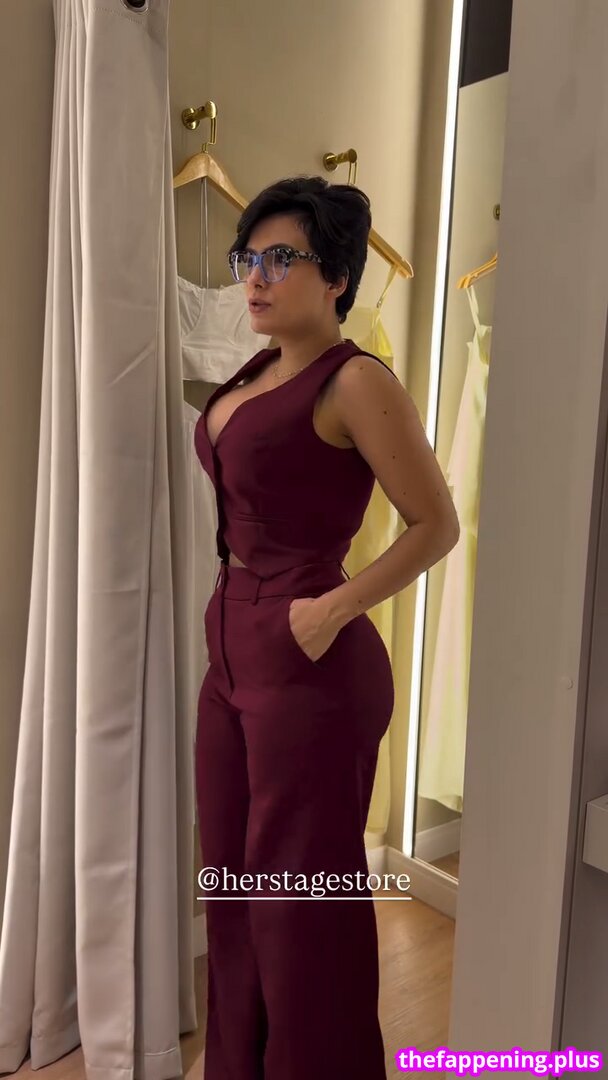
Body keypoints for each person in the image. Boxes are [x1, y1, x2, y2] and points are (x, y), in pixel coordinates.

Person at [194, 175, 459, 1080]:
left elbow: (436, 524)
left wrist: (332, 609)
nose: (256, 277)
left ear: (338, 276)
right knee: (234, 893)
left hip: (310, 663)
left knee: (301, 909)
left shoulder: (355, 380)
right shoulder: (258, 370)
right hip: (232, 654)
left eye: (282, 258)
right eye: (248, 257)